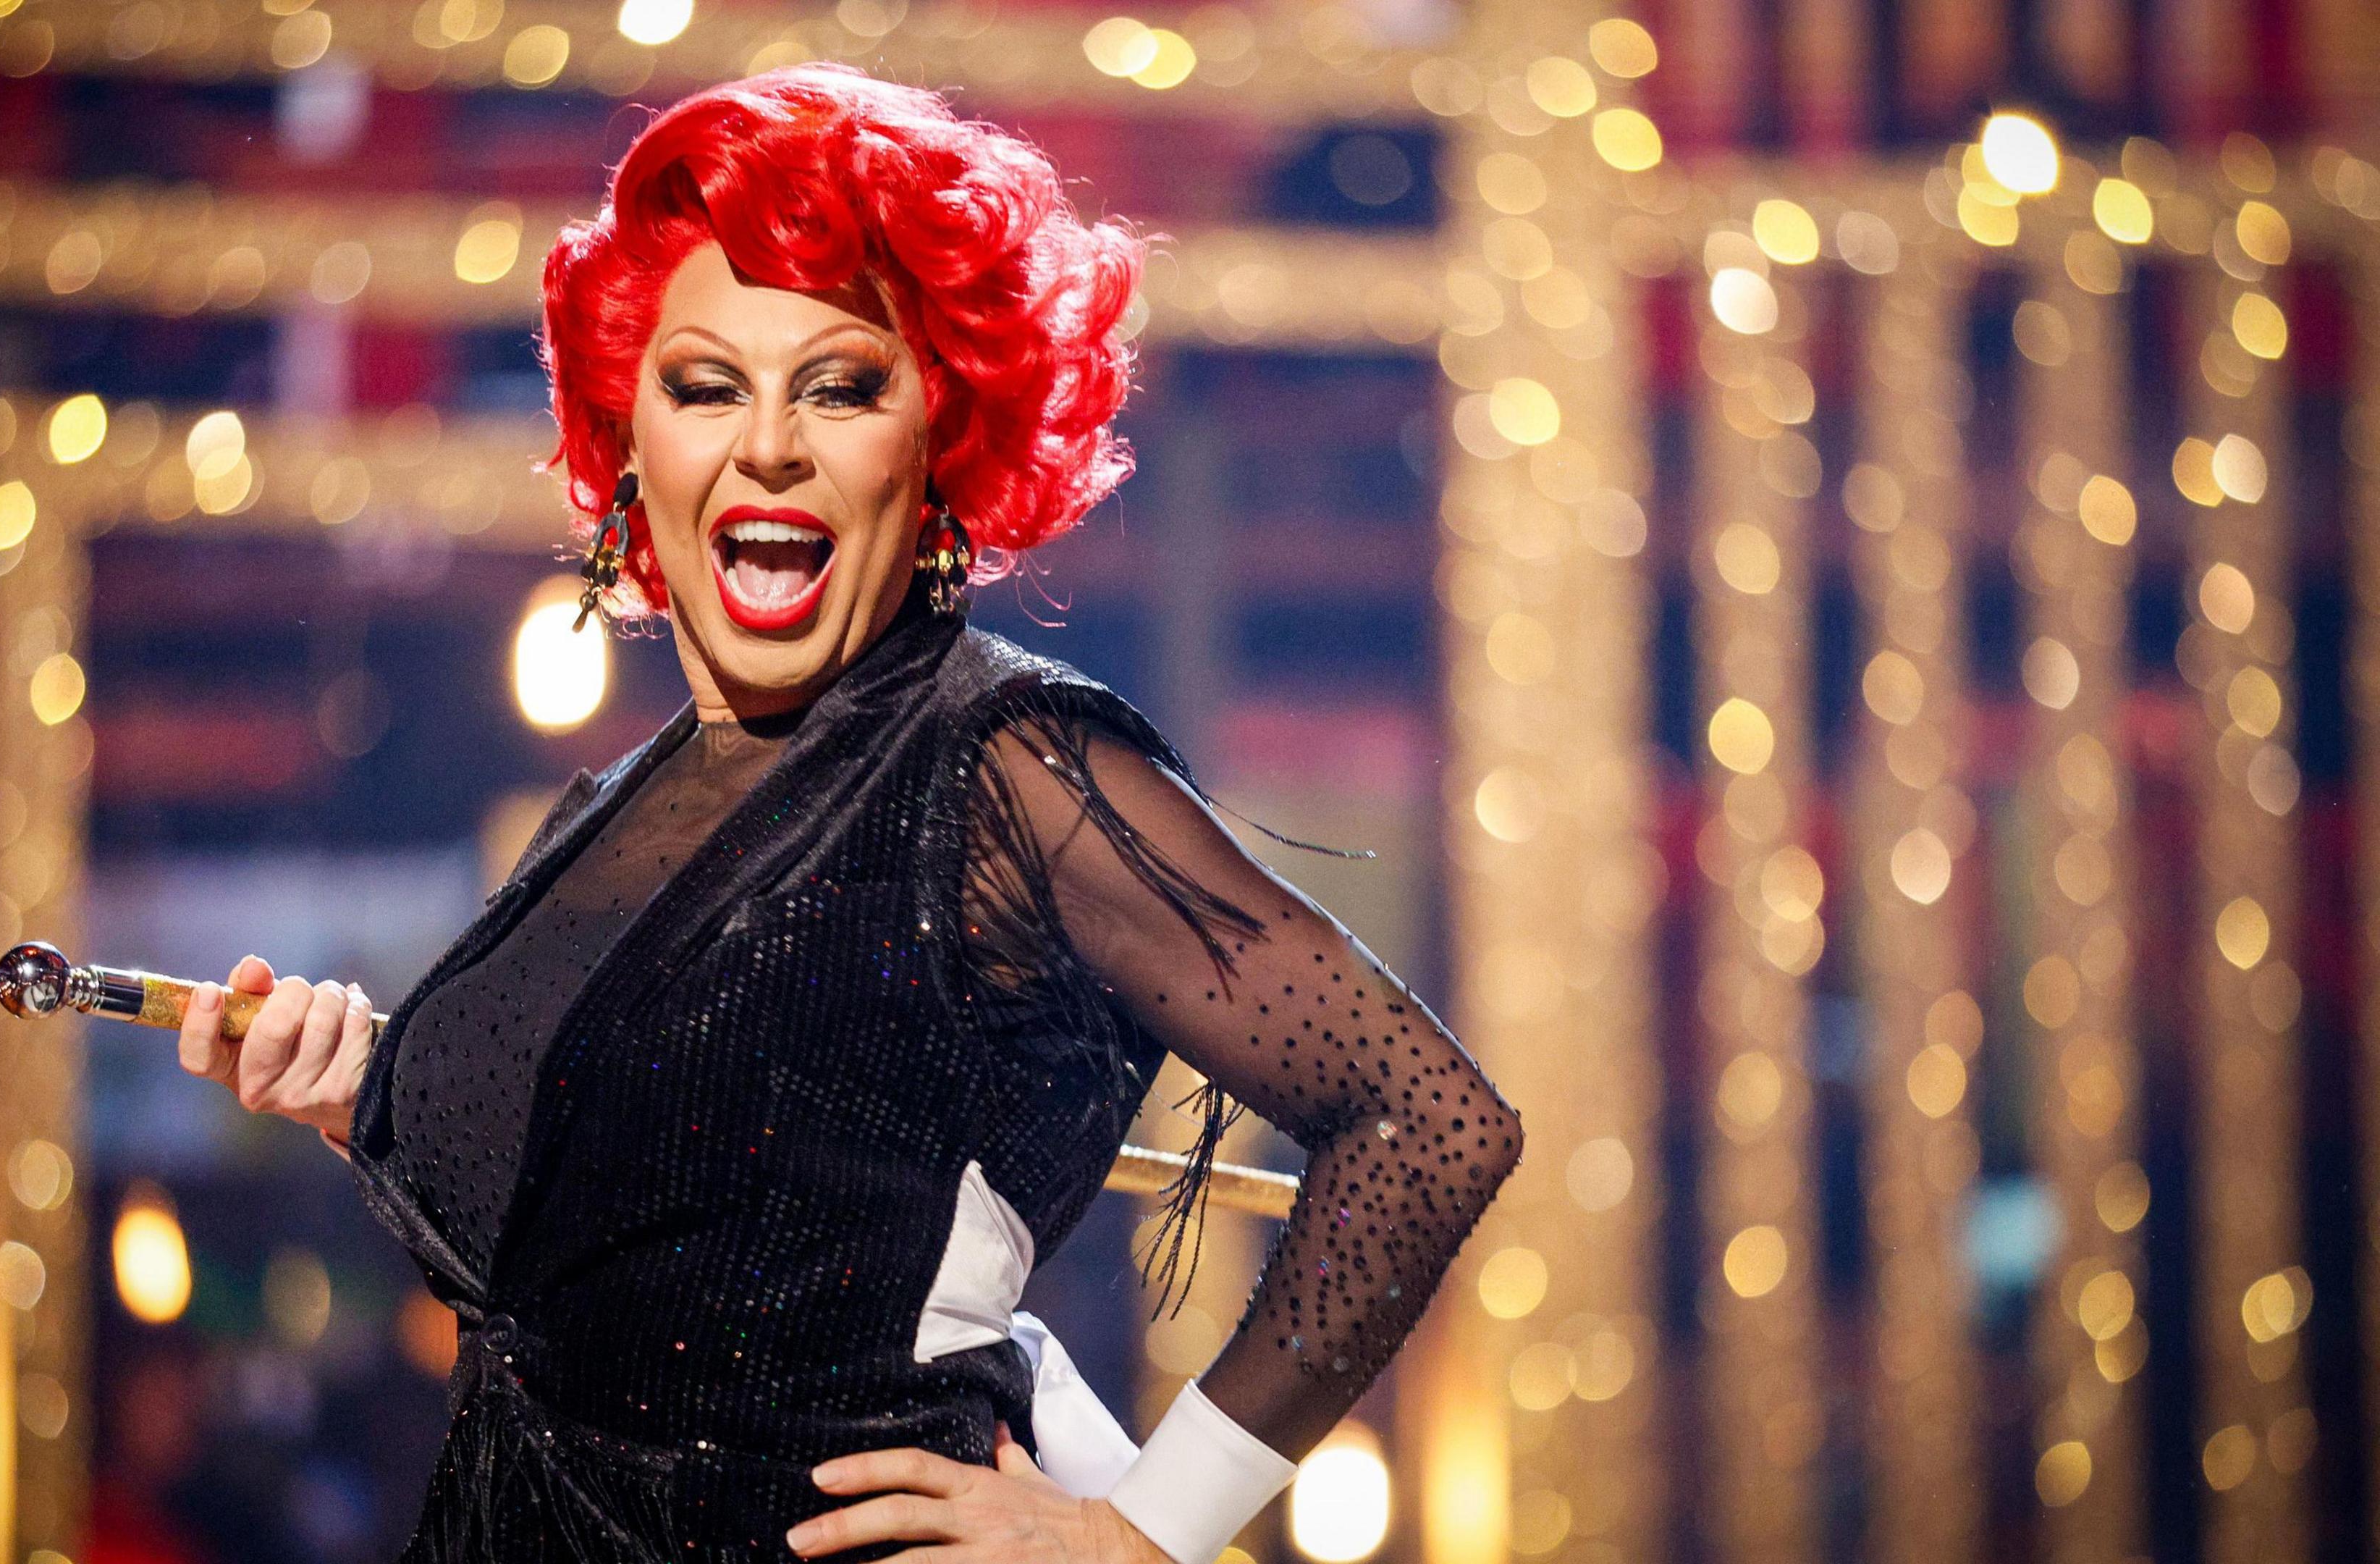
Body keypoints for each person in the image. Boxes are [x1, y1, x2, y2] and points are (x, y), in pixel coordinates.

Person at [171, 64, 1523, 1564]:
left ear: (941, 430)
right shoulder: (609, 811)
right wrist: (355, 1096)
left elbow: (1430, 1120)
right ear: (630, 441)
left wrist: (1144, 1531)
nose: (768, 445)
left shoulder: (1005, 769)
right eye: (705, 387)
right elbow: (631, 1270)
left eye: (841, 384)